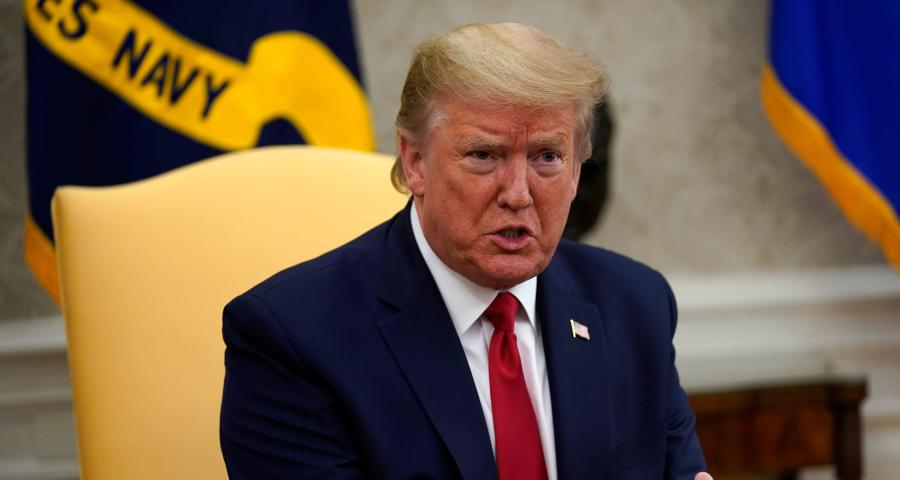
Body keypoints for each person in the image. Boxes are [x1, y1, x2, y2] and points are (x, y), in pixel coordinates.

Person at [220, 22, 710, 479]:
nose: (518, 193)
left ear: (578, 171)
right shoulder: (293, 339)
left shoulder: (635, 303)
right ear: (414, 163)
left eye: (546, 157)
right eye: (483, 156)